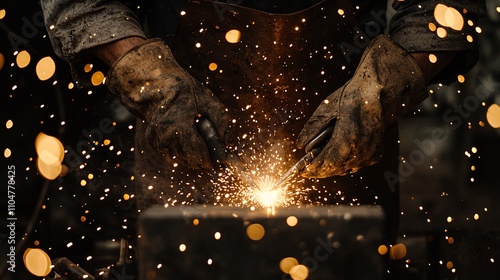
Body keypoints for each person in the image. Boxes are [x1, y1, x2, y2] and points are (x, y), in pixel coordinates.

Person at [41, 0, 484, 246]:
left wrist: (381, 89)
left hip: (348, 138)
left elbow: (447, 6)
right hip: (185, 133)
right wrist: (152, 81)